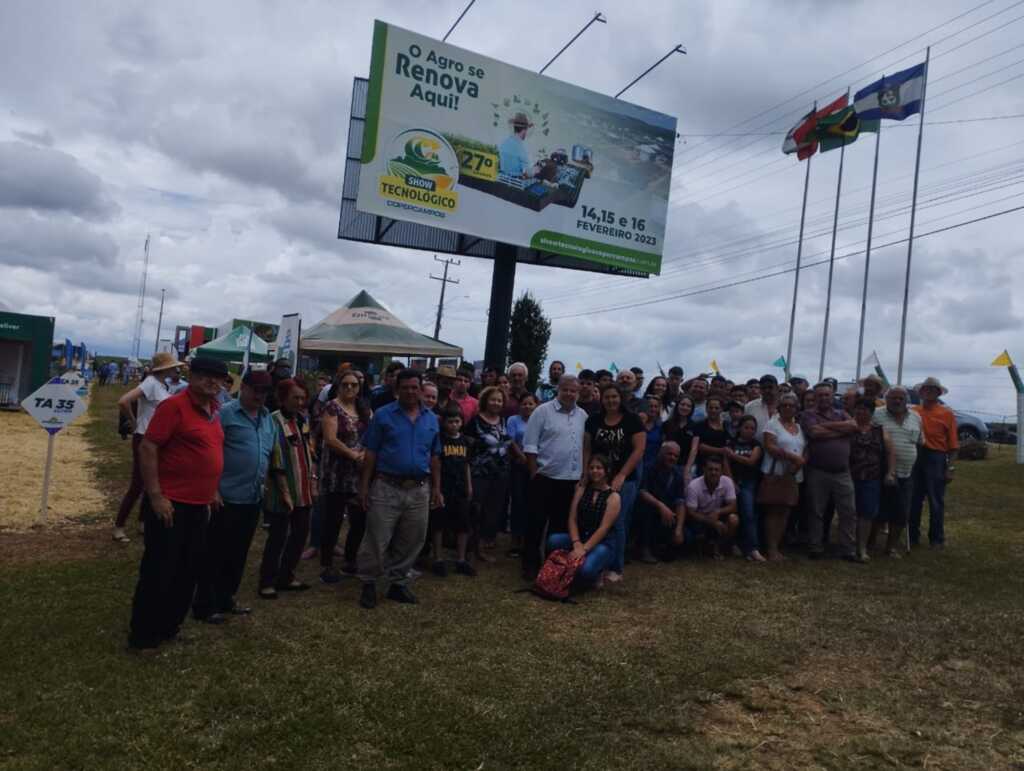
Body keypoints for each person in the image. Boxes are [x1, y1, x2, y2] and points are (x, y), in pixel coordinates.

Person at [128, 357, 226, 651]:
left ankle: (170, 626)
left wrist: (213, 489)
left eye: (218, 377)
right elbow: (148, 447)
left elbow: (209, 453)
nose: (212, 381)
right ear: (192, 377)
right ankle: (143, 635)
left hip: (199, 505)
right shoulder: (174, 406)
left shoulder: (214, 410)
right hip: (171, 504)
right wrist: (156, 495)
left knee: (187, 570)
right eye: (205, 375)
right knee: (159, 570)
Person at [193, 368, 276, 624]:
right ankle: (204, 605)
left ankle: (227, 597)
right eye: (256, 390)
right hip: (226, 497)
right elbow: (208, 454)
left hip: (252, 497)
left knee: (239, 552)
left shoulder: (267, 418)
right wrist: (212, 489)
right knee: (215, 553)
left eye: (265, 392)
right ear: (244, 387)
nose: (260, 396)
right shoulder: (225, 415)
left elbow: (268, 453)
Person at [356, 369, 442, 609]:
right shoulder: (383, 416)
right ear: (397, 389)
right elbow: (370, 452)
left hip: (419, 489)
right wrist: (364, 487)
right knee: (376, 537)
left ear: (421, 390)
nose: (411, 392)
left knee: (413, 538)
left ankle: (397, 583)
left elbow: (435, 456)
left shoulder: (432, 419)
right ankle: (369, 583)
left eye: (415, 387)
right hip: (386, 486)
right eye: (406, 387)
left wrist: (437, 488)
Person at [521, 374, 588, 580]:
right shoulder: (542, 411)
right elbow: (530, 445)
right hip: (545, 477)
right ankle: (530, 565)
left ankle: (553, 567)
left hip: (571, 480)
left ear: (578, 392)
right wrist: (534, 472)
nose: (569, 394)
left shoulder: (583, 415)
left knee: (559, 528)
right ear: (557, 389)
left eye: (573, 390)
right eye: (565, 389)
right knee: (536, 524)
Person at [114, 351, 180, 543]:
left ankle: (142, 521)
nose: (176, 369)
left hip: (156, 438)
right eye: (173, 366)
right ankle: (119, 526)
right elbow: (124, 401)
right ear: (165, 368)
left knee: (152, 481)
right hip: (144, 437)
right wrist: (134, 423)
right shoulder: (151, 383)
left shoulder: (161, 385)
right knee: (138, 484)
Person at [583, 383, 645, 582]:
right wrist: (586, 472)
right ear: (601, 399)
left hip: (625, 480)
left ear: (621, 399)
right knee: (597, 521)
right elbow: (587, 448)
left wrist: (622, 475)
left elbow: (638, 450)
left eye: (614, 397)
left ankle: (616, 567)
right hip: (598, 478)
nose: (611, 400)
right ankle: (598, 563)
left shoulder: (632, 420)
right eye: (607, 397)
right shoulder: (593, 420)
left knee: (617, 522)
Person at [258, 379, 315, 598]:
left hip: (304, 489)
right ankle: (267, 581)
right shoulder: (272, 421)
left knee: (300, 535)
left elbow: (310, 452)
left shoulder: (302, 419)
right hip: (281, 491)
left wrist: (314, 481)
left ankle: (286, 575)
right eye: (295, 397)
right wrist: (284, 492)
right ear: (282, 398)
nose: (300, 402)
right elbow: (275, 459)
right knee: (277, 538)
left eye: (303, 397)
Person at [318, 370, 368, 582]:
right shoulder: (332, 408)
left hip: (358, 474)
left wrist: (364, 454)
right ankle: (327, 564)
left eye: (354, 385)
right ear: (338, 386)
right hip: (336, 472)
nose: (350, 388)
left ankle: (350, 559)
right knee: (333, 520)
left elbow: (371, 435)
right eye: (345, 384)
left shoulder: (365, 410)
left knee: (359, 519)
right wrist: (354, 455)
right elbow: (330, 439)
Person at [800, 382, 858, 560]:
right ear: (815, 397)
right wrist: (841, 429)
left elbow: (854, 426)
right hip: (818, 471)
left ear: (832, 396)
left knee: (848, 511)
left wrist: (829, 427)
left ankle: (847, 549)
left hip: (842, 472)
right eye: (820, 395)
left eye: (827, 395)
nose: (823, 398)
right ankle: (815, 546)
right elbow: (815, 432)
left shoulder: (841, 413)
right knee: (817, 511)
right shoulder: (807, 414)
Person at [546, 455, 621, 589]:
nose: (594, 471)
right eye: (591, 468)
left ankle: (599, 570)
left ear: (607, 471)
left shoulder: (614, 497)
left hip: (602, 542)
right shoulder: (581, 489)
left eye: (599, 468)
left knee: (586, 570)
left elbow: (603, 529)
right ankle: (568, 566)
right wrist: (576, 543)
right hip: (580, 538)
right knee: (553, 540)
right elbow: (572, 518)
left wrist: (583, 549)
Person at [464, 386, 516, 562]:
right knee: (476, 511)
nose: (496, 403)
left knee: (492, 512)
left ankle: (482, 546)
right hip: (480, 473)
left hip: (501, 475)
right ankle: (470, 549)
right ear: (485, 400)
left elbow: (508, 442)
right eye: (493, 399)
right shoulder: (475, 422)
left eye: (499, 400)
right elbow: (467, 449)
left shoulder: (503, 421)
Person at [872, 386, 922, 556]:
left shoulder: (916, 417)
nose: (897, 401)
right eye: (893, 397)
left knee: (902, 512)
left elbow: (920, 441)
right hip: (880, 470)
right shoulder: (876, 414)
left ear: (906, 400)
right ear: (886, 399)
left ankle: (890, 547)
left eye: (901, 398)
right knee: (877, 510)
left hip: (907, 473)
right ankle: (870, 542)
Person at [910, 377, 958, 548]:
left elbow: (953, 445)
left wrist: (950, 467)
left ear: (938, 393)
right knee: (914, 499)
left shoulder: (947, 413)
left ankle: (936, 538)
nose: (928, 391)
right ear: (921, 392)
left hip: (936, 458)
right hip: (916, 456)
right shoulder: (913, 412)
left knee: (936, 500)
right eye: (926, 388)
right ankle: (912, 536)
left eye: (932, 389)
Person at [849, 398, 896, 563]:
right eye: (858, 408)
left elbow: (890, 453)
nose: (861, 412)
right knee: (849, 512)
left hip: (871, 478)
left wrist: (890, 472)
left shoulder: (880, 430)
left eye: (865, 409)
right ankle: (848, 546)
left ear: (872, 412)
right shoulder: (848, 427)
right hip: (848, 476)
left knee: (867, 513)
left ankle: (862, 548)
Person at [760, 393, 806, 561]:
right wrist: (793, 458)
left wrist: (800, 462)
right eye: (784, 405)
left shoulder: (799, 428)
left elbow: (804, 449)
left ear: (796, 408)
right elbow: (770, 446)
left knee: (785, 511)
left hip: (793, 475)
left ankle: (777, 547)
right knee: (773, 511)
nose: (788, 408)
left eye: (791, 405)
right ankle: (771, 549)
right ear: (779, 408)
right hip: (776, 473)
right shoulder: (772, 424)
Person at [430, 408, 475, 577]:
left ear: (461, 422)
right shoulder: (440, 440)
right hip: (444, 488)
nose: (454, 425)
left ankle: (461, 559)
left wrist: (469, 486)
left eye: (457, 421)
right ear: (443, 422)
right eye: (450, 421)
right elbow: (437, 465)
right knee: (439, 524)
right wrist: (437, 488)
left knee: (463, 524)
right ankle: (438, 559)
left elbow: (467, 465)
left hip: (461, 488)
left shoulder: (465, 441)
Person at [636, 442, 686, 563]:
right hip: (649, 510)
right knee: (645, 509)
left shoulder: (678, 474)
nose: (672, 458)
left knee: (685, 536)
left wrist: (679, 529)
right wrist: (661, 506)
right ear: (661, 453)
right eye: (669, 454)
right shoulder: (648, 467)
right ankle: (644, 549)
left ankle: (663, 546)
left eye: (676, 456)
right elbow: (642, 492)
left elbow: (680, 502)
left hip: (668, 514)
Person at [683, 455, 738, 559]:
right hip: (699, 519)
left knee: (733, 519)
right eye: (710, 469)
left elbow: (733, 506)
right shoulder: (693, 486)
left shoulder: (727, 481)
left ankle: (722, 547)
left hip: (716, 515)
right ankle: (708, 547)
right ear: (704, 470)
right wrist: (710, 521)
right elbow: (690, 512)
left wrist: (718, 512)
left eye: (717, 470)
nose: (713, 472)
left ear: (721, 471)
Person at [726, 415, 764, 561]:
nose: (749, 431)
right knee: (736, 515)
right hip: (733, 482)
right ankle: (735, 544)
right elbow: (726, 464)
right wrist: (731, 482)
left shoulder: (756, 445)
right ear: (740, 428)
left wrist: (732, 455)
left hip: (749, 482)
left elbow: (751, 461)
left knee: (749, 514)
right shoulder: (731, 443)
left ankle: (753, 548)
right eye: (746, 427)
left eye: (752, 428)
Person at [506, 393, 537, 558]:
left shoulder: (539, 420)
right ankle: (515, 540)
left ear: (536, 406)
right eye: (524, 403)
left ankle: (527, 539)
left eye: (530, 404)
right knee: (517, 502)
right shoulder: (512, 420)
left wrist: (533, 460)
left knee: (532, 502)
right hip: (518, 466)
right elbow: (510, 441)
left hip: (536, 467)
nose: (527, 406)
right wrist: (523, 457)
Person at [662, 395, 701, 486]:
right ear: (677, 406)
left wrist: (687, 468)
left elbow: (694, 449)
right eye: (682, 404)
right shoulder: (667, 424)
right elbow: (663, 445)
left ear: (692, 409)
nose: (685, 407)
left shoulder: (695, 426)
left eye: (688, 406)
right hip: (667, 464)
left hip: (685, 464)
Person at [696, 396, 730, 474]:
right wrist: (720, 450)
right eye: (710, 408)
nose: (713, 410)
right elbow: (700, 446)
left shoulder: (726, 425)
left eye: (716, 408)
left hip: (722, 467)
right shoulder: (700, 425)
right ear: (706, 409)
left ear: (721, 409)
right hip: (703, 466)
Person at [499, 112, 537, 177]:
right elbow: (528, 173)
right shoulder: (521, 148)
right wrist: (536, 170)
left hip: (501, 176)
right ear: (525, 130)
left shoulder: (505, 142)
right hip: (514, 181)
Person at [745, 374, 780, 443]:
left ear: (777, 388)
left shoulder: (786, 407)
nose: (767, 390)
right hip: (755, 451)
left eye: (770, 387)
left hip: (781, 452)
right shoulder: (749, 407)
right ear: (760, 389)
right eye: (764, 388)